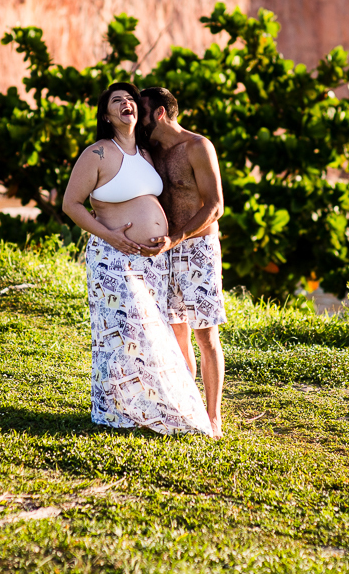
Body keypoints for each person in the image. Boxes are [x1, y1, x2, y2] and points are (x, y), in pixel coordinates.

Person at [61, 82, 215, 436]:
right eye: (117, 100)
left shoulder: (147, 154)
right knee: (125, 333)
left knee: (148, 336)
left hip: (153, 264)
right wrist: (109, 235)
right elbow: (71, 204)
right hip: (114, 258)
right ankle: (119, 410)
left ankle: (151, 406)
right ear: (107, 114)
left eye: (130, 99)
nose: (127, 103)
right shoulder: (97, 154)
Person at [137, 86, 227, 438]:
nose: (137, 118)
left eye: (142, 111)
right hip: (164, 253)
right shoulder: (149, 152)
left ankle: (214, 417)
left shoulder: (198, 147)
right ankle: (186, 408)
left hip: (198, 249)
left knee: (206, 336)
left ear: (159, 113)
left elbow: (215, 206)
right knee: (176, 333)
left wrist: (178, 237)